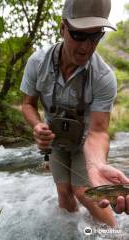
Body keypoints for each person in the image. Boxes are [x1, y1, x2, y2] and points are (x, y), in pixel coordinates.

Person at [20, 0, 129, 227]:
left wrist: (96, 164)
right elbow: (28, 104)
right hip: (56, 142)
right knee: (63, 191)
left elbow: (98, 131)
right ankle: (73, 231)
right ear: (63, 28)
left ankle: (116, 234)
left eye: (95, 36)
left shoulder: (104, 77)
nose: (87, 47)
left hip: (85, 143)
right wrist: (37, 126)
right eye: (79, 35)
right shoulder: (36, 63)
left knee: (84, 193)